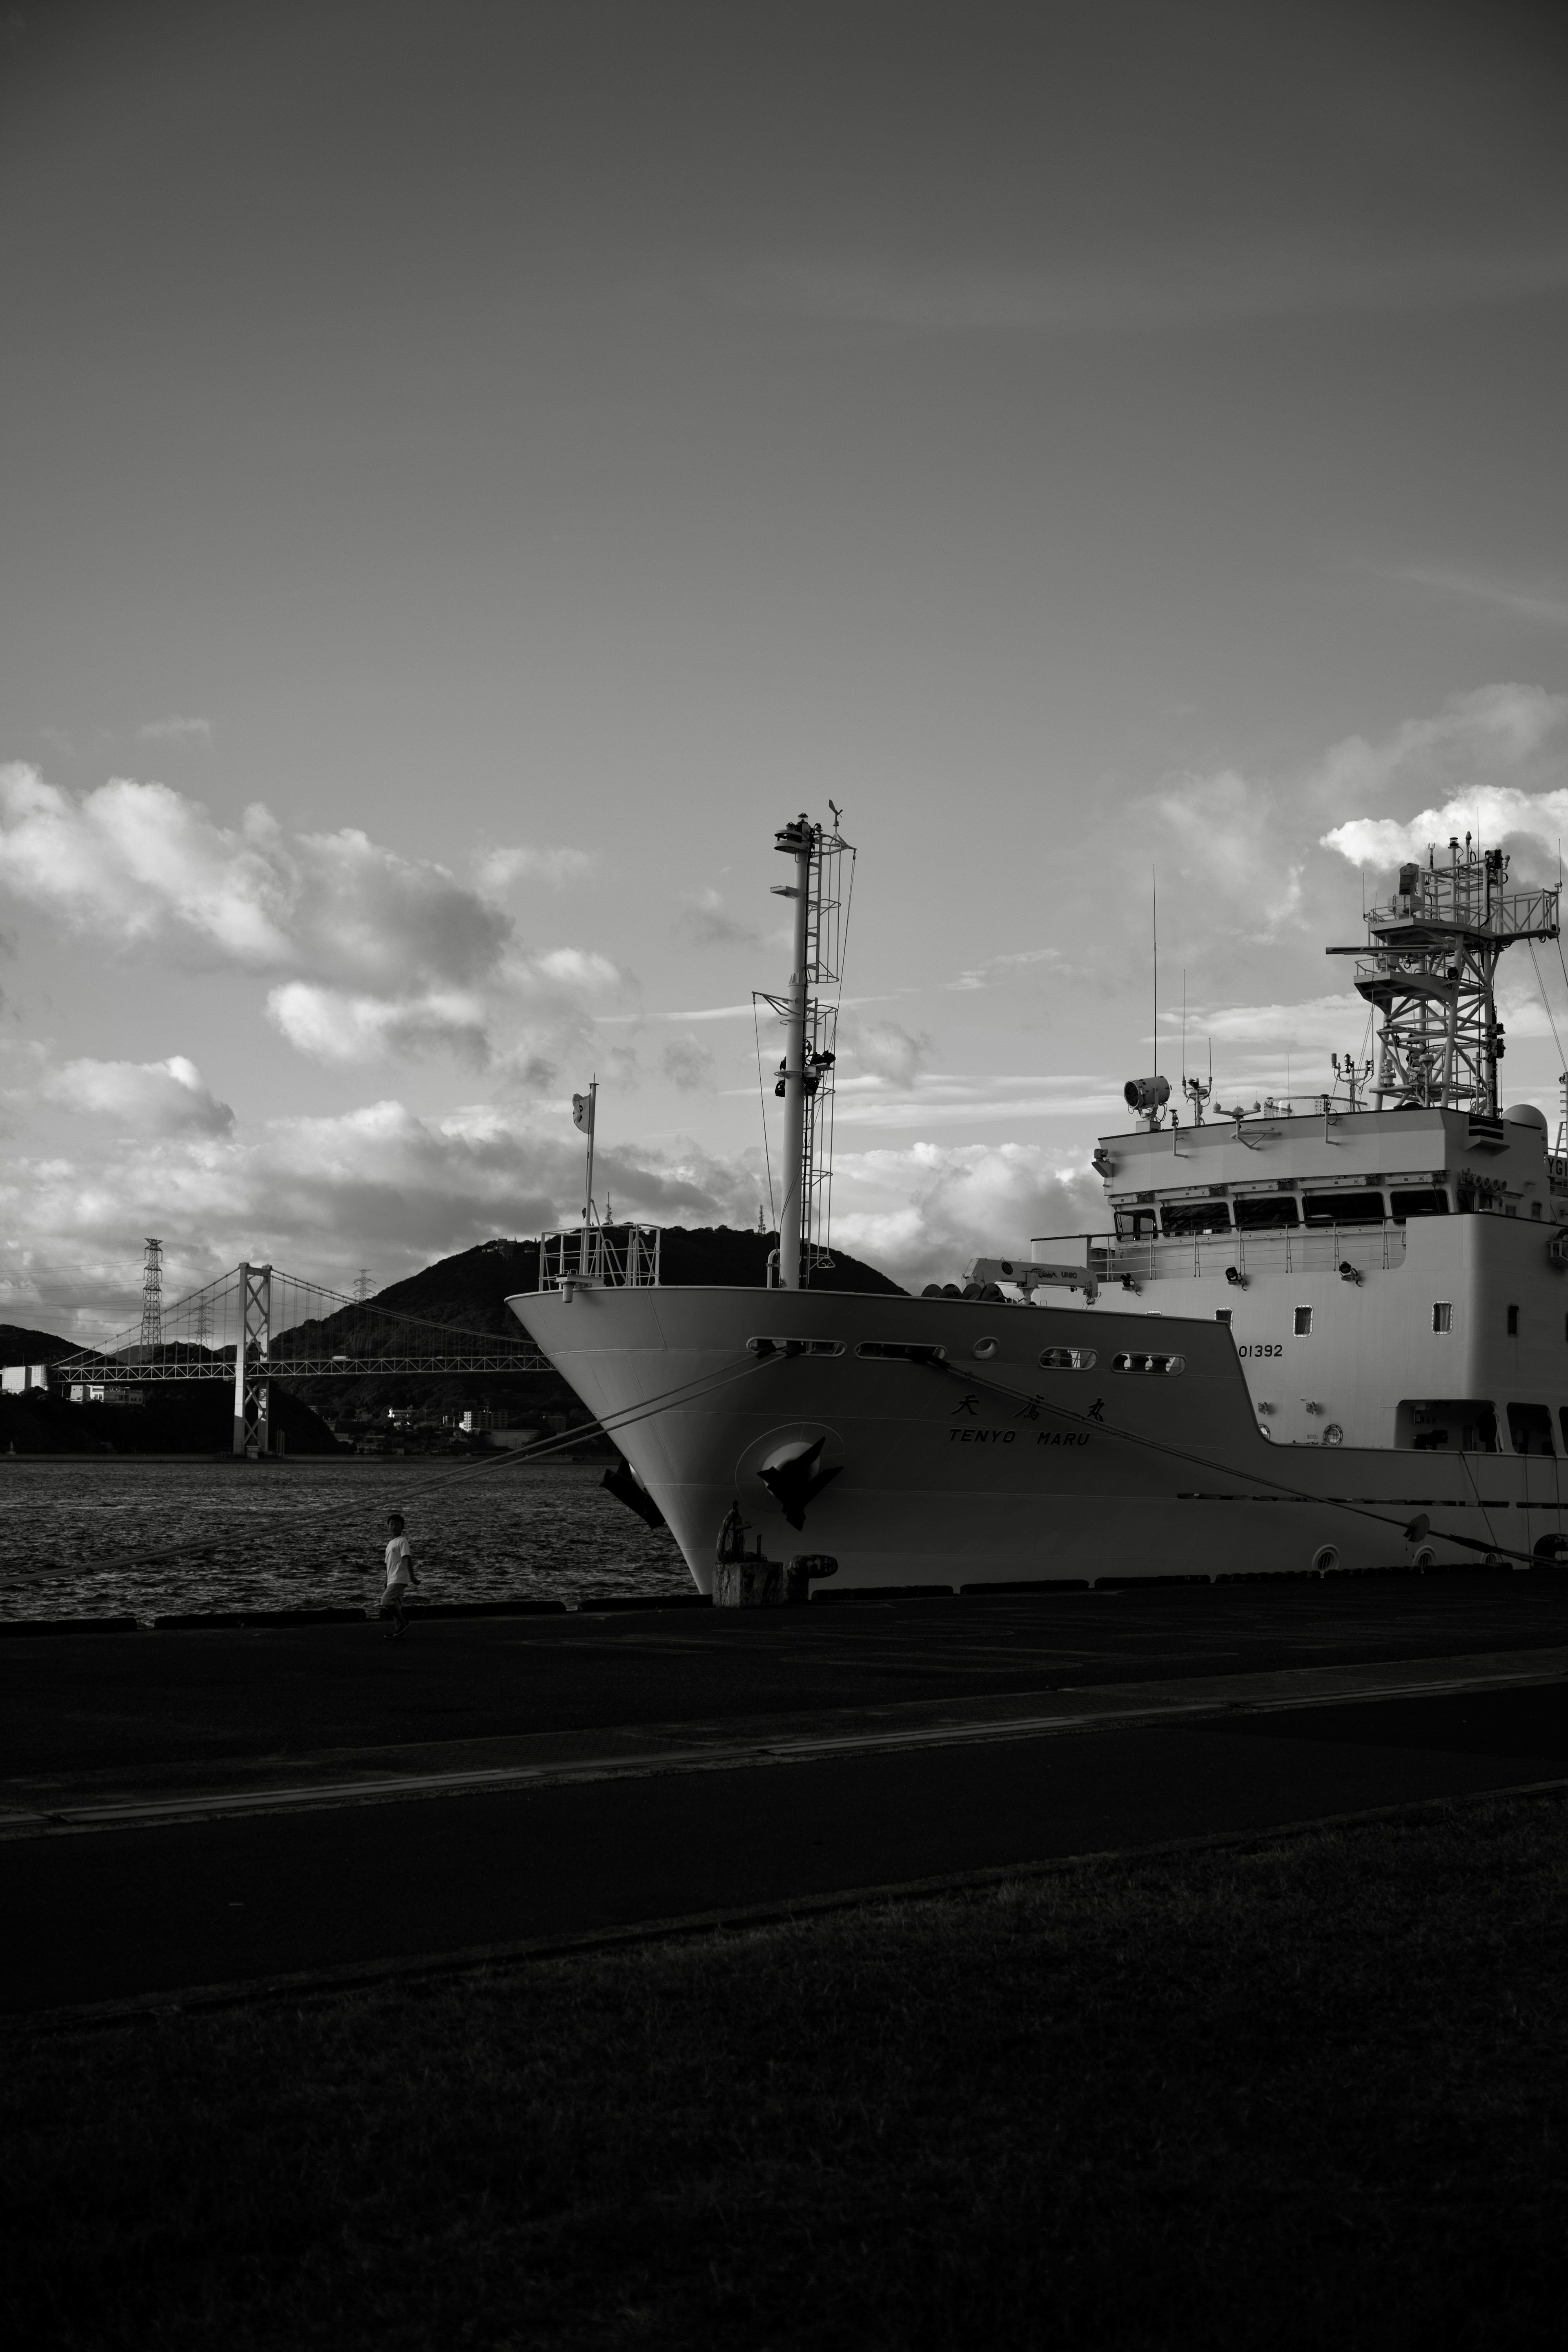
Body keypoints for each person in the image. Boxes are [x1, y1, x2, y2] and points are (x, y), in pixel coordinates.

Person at [379, 1512, 418, 1638]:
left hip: (399, 1579)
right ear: (388, 1527)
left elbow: (406, 1558)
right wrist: (386, 1580)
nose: (394, 1527)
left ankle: (404, 1623)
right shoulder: (390, 1544)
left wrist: (412, 1577)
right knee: (396, 1606)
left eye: (397, 1524)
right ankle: (399, 1632)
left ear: (403, 1527)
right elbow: (388, 1565)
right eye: (391, 1524)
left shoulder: (402, 1541)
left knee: (386, 1601)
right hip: (393, 1579)